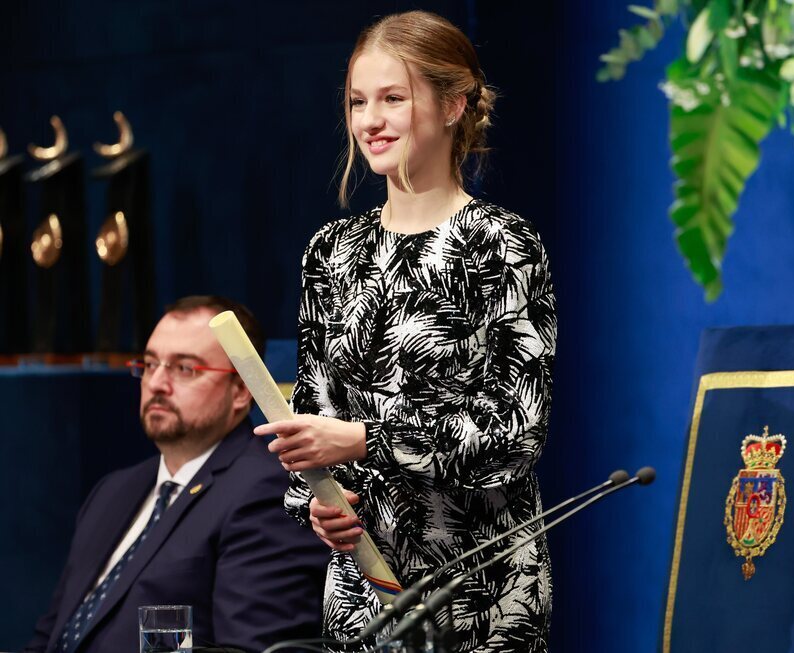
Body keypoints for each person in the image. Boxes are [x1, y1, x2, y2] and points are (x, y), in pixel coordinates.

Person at [252, 10, 556, 651]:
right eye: (358, 101)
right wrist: (319, 504)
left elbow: (515, 435)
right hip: (364, 595)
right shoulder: (331, 250)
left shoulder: (502, 245)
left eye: (393, 98)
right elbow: (314, 416)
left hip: (483, 593)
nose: (370, 120)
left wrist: (362, 440)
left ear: (454, 105)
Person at [26, 296, 326, 653]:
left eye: (185, 369)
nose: (157, 384)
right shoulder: (114, 489)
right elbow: (50, 637)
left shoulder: (266, 490)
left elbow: (252, 648)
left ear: (242, 390)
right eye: (150, 364)